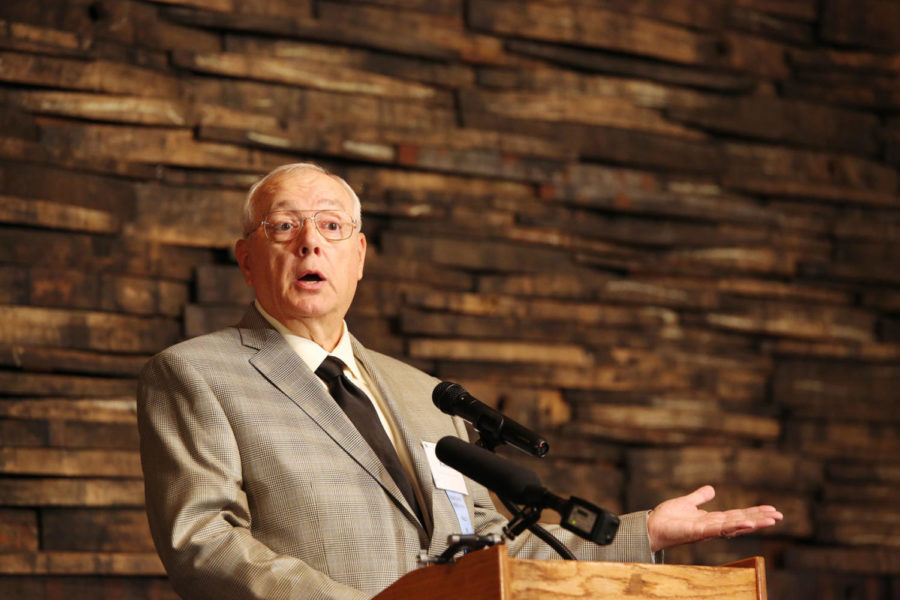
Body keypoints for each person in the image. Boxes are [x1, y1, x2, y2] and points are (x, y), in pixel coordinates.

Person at [137, 163, 783, 600]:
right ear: (247, 259)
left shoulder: (426, 394)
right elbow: (205, 545)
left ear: (358, 258)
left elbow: (494, 546)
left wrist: (645, 531)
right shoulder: (195, 374)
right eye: (284, 226)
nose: (310, 242)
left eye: (332, 226)